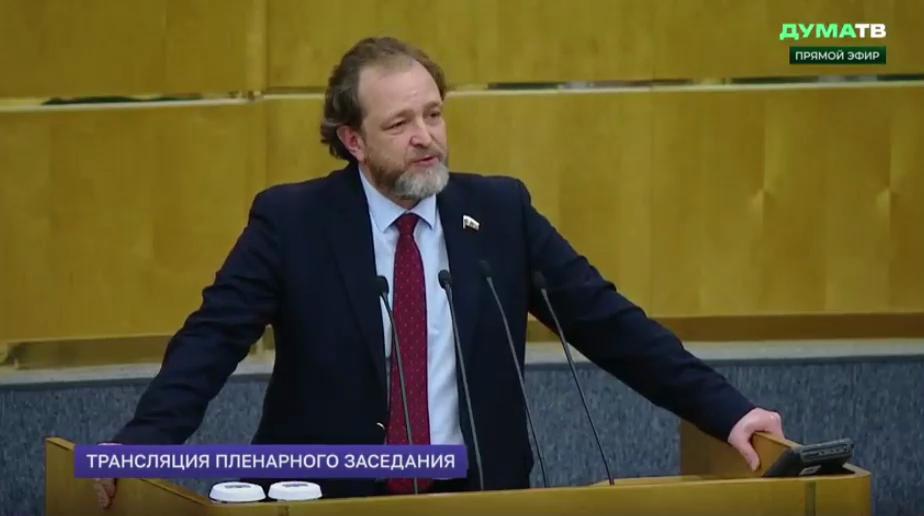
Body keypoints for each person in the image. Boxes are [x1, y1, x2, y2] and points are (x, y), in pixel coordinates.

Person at [95, 36, 783, 508]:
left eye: (433, 114)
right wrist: (140, 445)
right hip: (328, 497)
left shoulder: (500, 213)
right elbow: (211, 342)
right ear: (354, 140)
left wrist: (726, 410)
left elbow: (609, 324)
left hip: (475, 498)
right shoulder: (293, 223)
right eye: (400, 124)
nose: (426, 136)